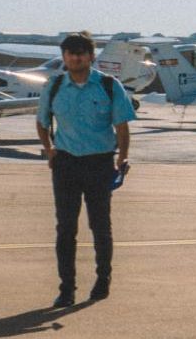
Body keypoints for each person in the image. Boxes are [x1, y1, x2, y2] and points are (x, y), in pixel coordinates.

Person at [36, 31, 136, 307]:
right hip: (66, 163)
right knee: (65, 228)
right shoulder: (54, 86)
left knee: (100, 226)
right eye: (70, 53)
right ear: (64, 57)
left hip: (99, 163)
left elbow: (122, 126)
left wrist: (122, 157)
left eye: (81, 53)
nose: (75, 57)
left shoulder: (108, 85)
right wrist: (50, 151)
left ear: (91, 57)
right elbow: (42, 121)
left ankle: (102, 280)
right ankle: (66, 288)